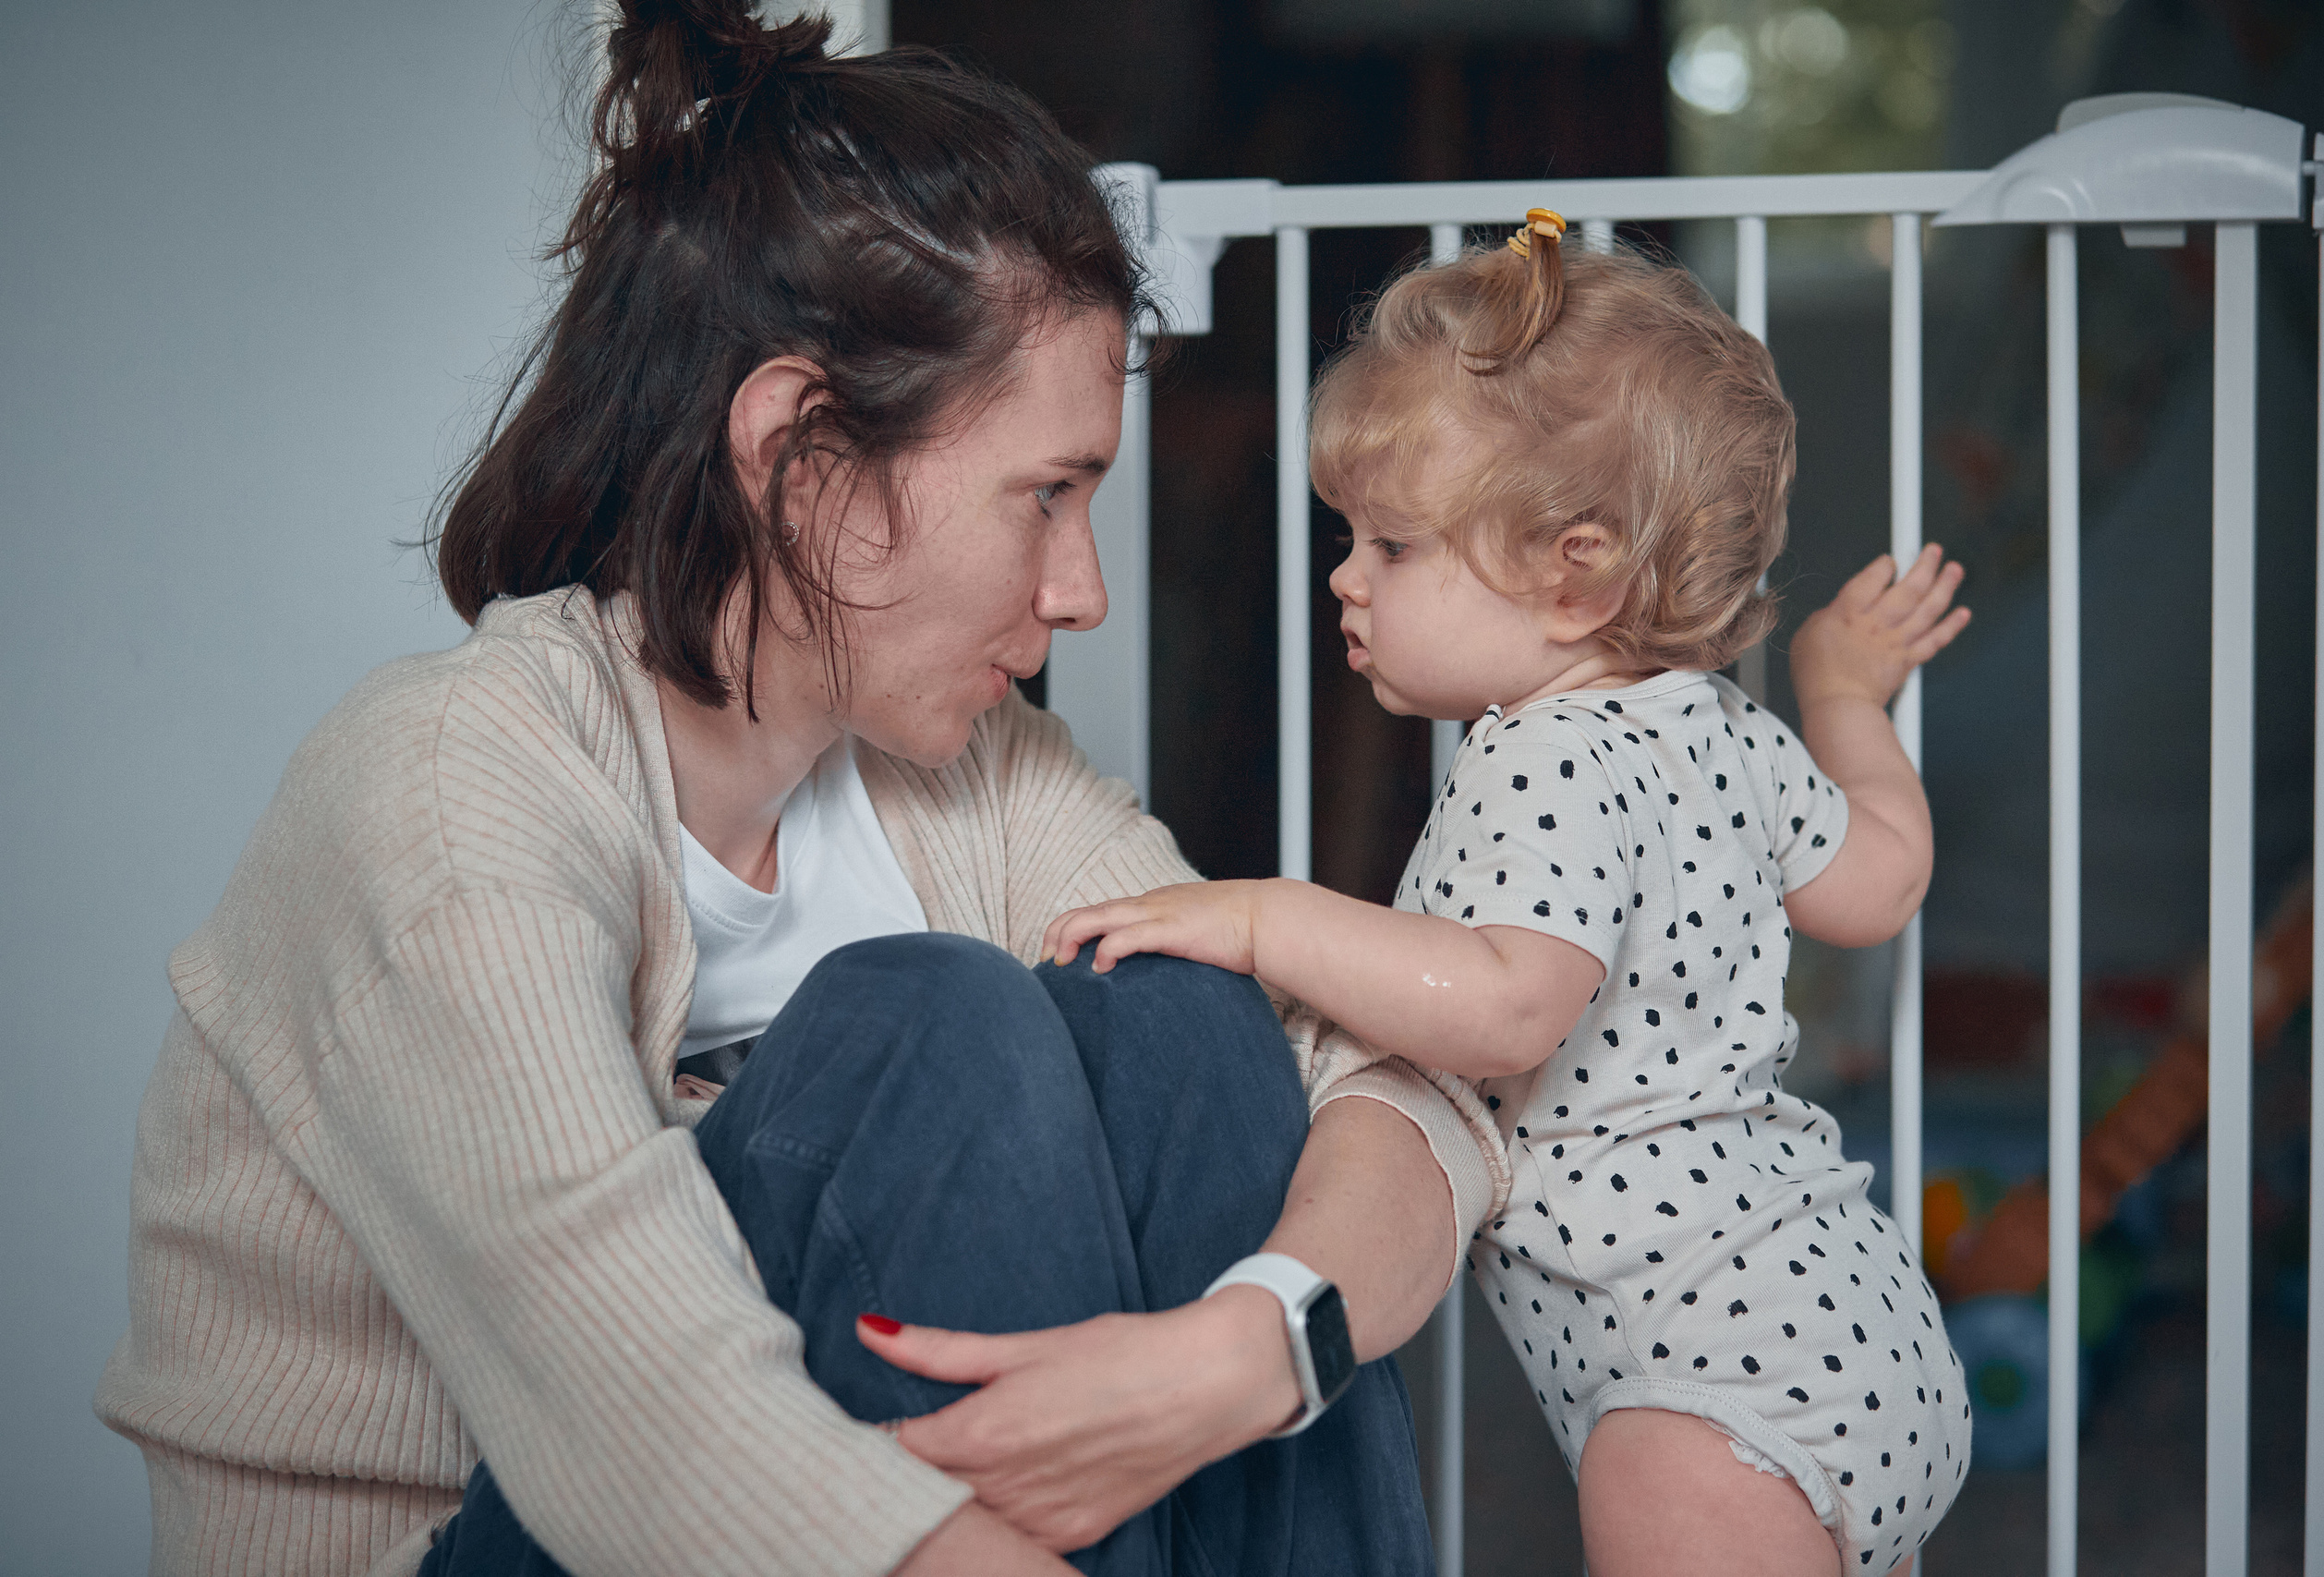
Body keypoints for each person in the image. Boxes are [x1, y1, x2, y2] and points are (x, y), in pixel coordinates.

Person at [94, 8, 1508, 1575]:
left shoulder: (972, 783)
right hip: (518, 1531)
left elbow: (1406, 1098)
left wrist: (1254, 1345)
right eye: (1045, 495)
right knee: (930, 1027)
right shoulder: (445, 795)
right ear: (800, 458)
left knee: (1188, 1018)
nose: (1084, 591)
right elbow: (657, 1426)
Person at [1045, 211, 1976, 1576]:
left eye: (1394, 547)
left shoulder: (1546, 756)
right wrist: (1842, 695)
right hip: (1848, 1307)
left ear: (1572, 575)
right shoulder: (1720, 728)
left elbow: (1504, 1008)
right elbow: (1882, 881)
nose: (1346, 577)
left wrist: (1259, 917)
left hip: (1708, 1384)